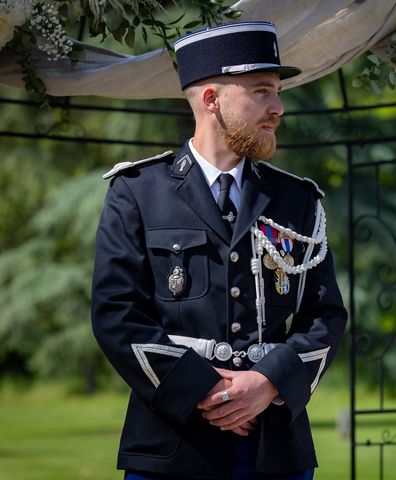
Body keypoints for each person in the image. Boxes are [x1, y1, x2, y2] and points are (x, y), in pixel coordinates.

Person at [91, 21, 347, 480]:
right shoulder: (137, 192)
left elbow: (325, 315)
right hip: (172, 445)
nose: (278, 108)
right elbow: (117, 313)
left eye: (277, 92)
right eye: (262, 91)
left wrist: (267, 382)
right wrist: (207, 391)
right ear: (212, 100)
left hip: (276, 448)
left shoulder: (297, 199)